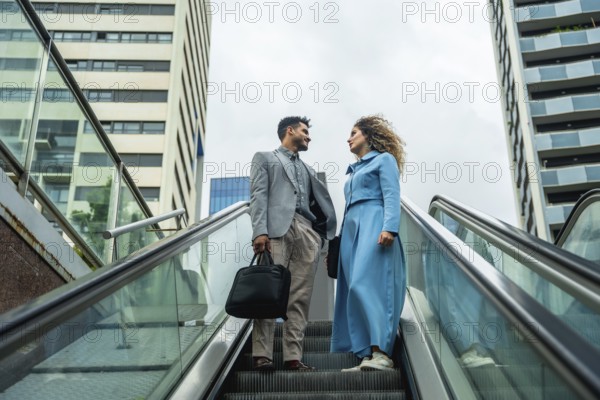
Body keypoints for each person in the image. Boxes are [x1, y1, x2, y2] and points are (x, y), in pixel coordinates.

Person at [250, 116, 337, 371]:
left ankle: (292, 357)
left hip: (306, 232)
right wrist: (259, 232)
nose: (309, 136)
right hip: (276, 231)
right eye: (305, 131)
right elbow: (258, 195)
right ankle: (262, 354)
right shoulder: (265, 158)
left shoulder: (308, 169)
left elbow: (319, 204)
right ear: (290, 131)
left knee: (299, 298)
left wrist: (321, 237)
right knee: (269, 293)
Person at [330, 115, 406, 371]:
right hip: (351, 232)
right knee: (353, 289)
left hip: (374, 224)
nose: (349, 138)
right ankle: (366, 353)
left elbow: (392, 195)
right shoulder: (354, 170)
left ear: (368, 136)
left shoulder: (384, 159)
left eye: (354, 132)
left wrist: (390, 228)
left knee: (368, 285)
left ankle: (381, 351)